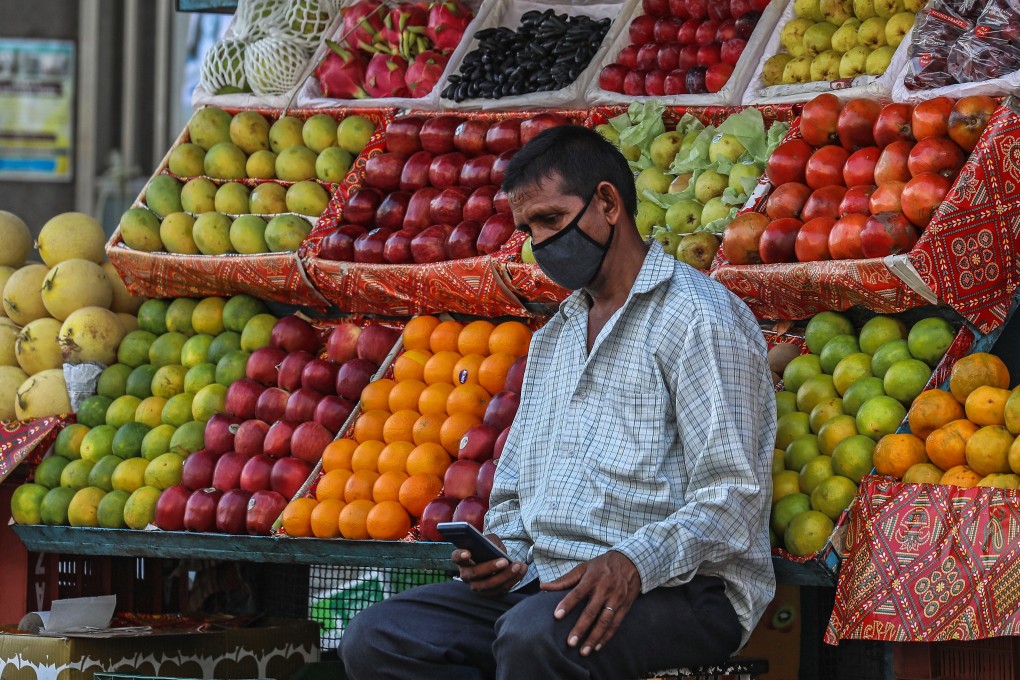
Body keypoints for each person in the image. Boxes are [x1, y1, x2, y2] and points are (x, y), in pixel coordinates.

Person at [340, 125, 776, 680]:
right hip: (548, 580)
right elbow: (516, 486)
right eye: (528, 229)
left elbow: (733, 496)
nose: (541, 243)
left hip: (686, 590)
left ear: (607, 203)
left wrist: (632, 562)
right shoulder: (557, 336)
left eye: (550, 219)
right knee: (378, 638)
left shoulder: (699, 319)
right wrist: (502, 550)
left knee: (535, 638)